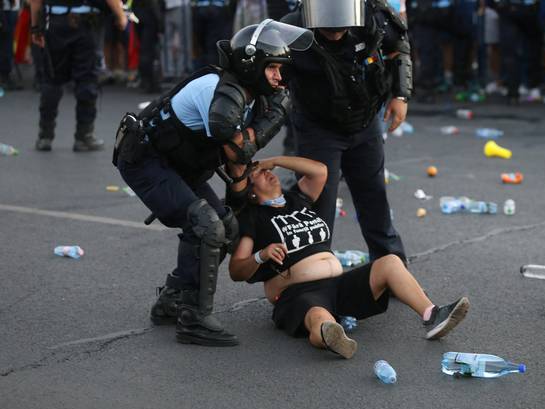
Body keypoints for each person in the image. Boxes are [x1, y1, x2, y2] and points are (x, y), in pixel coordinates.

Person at [113, 20, 313, 346]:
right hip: (147, 161)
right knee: (206, 224)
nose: (279, 77)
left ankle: (174, 298)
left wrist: (233, 214)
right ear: (252, 64)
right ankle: (194, 318)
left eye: (281, 69)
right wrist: (276, 116)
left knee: (225, 227)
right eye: (273, 68)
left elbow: (236, 165)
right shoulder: (216, 91)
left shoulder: (252, 98)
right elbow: (239, 148)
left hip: (181, 166)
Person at [228, 156, 470, 358]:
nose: (266, 173)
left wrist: (274, 160)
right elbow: (236, 270)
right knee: (318, 315)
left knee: (390, 262)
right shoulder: (254, 217)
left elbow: (320, 171)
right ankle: (332, 337)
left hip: (338, 284)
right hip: (299, 293)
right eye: (257, 174)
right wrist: (261, 255)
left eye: (265, 170)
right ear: (249, 191)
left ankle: (432, 315)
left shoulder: (297, 200)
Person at [282, 0, 413, 263]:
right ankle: (312, 277)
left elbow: (398, 47)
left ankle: (391, 269)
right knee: (318, 207)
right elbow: (270, 82)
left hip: (365, 122)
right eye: (329, 30)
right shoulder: (289, 30)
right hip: (317, 129)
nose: (335, 34)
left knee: (374, 199)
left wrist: (400, 95)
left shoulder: (372, 15)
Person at [30, 0, 127, 151]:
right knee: (87, 78)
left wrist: (35, 27)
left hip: (55, 22)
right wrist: (120, 16)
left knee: (51, 79)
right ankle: (84, 136)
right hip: (85, 23)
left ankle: (45, 136)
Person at [1, 0, 23, 90]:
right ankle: (4, 76)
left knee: (8, 45)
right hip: (4, 9)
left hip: (11, 8)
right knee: (5, 45)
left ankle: (5, 75)